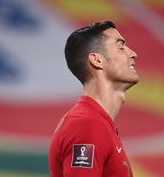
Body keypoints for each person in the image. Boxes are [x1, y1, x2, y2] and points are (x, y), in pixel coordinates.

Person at [48, 20, 138, 177]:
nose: (132, 53)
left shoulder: (98, 122)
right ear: (97, 60)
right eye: (121, 46)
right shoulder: (87, 124)